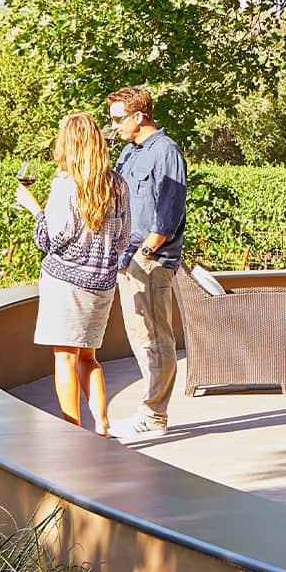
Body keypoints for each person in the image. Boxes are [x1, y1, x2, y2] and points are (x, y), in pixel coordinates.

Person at [16, 112, 131, 438]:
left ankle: (72, 431)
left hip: (66, 284)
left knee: (65, 357)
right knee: (88, 358)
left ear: (67, 143)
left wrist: (33, 208)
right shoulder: (118, 184)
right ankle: (103, 425)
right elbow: (123, 239)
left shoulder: (65, 185)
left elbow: (49, 238)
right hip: (102, 285)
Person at [108, 85, 187, 439]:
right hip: (127, 257)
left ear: (139, 117)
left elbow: (170, 209)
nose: (114, 126)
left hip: (150, 261)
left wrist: (147, 252)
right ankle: (150, 408)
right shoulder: (128, 152)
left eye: (118, 119)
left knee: (157, 336)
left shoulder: (166, 152)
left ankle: (155, 414)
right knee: (141, 335)